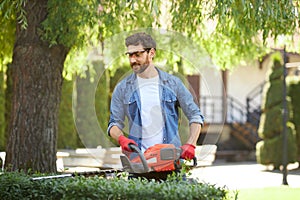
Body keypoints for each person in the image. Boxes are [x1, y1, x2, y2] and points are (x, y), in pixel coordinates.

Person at [107, 32, 204, 161]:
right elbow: (114, 124)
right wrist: (121, 138)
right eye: (130, 55)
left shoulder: (173, 83)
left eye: (137, 54)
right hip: (139, 163)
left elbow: (195, 115)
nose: (132, 60)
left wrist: (191, 144)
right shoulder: (123, 88)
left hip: (170, 161)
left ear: (151, 53)